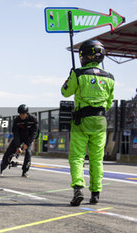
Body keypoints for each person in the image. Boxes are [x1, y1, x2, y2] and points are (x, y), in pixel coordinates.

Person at [61, 40, 115, 206]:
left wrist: (70, 77)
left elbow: (65, 92)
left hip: (81, 121)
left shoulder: (78, 74)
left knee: (77, 157)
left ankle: (78, 188)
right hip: (100, 121)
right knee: (97, 159)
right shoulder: (110, 77)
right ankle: (96, 193)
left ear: (84, 55)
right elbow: (109, 102)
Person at [0, 104, 38, 177]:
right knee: (9, 152)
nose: (22, 116)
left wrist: (27, 144)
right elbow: (16, 134)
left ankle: (25, 171)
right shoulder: (17, 120)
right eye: (20, 114)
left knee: (28, 153)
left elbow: (34, 133)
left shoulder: (33, 119)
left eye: (23, 114)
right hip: (19, 137)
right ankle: (1, 169)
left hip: (28, 138)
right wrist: (18, 146)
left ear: (26, 113)